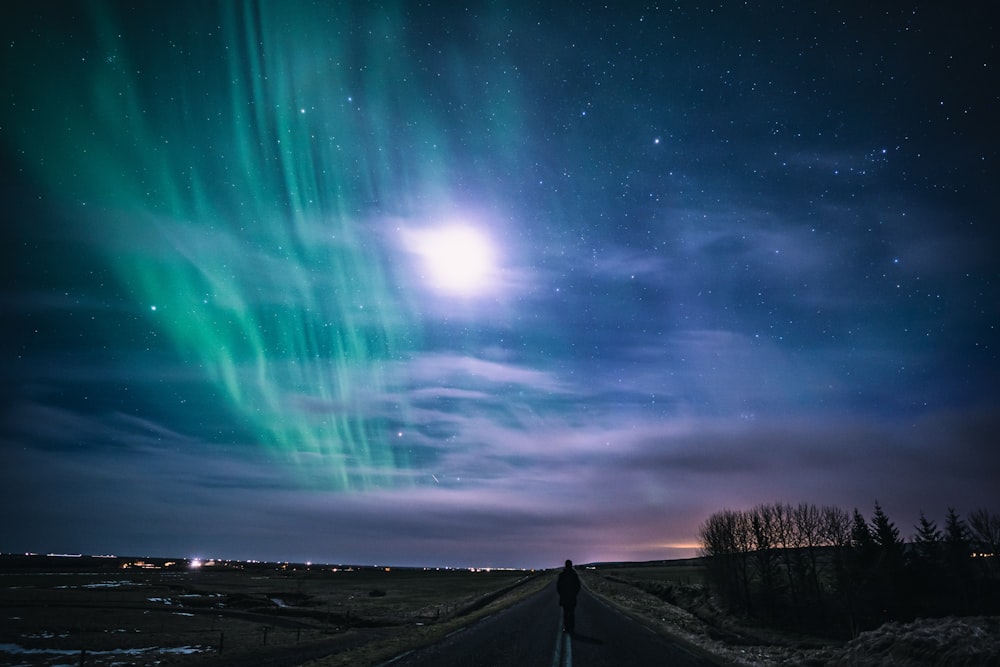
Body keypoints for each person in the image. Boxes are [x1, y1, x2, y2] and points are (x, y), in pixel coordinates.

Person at [556, 559, 581, 633]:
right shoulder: (574, 575)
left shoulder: (562, 575)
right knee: (571, 613)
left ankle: (566, 627)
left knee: (565, 613)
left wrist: (561, 594)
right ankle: (571, 628)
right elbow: (578, 586)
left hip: (564, 597)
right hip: (572, 597)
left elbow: (558, 586)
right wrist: (575, 594)